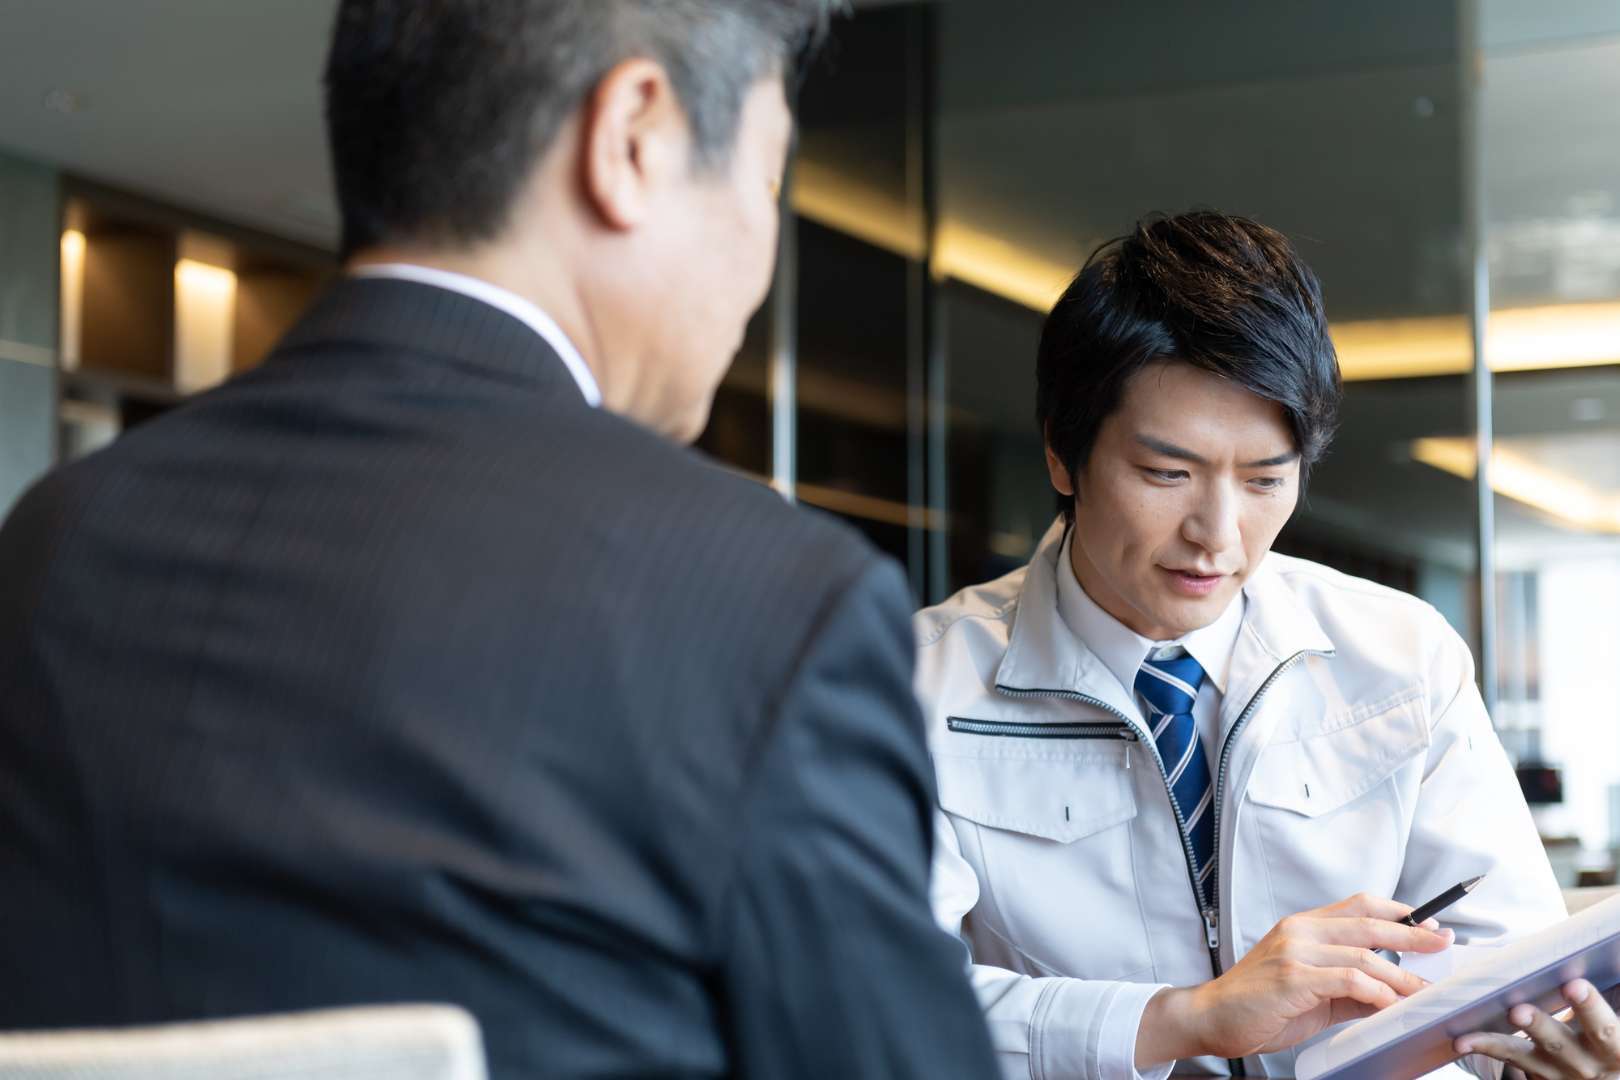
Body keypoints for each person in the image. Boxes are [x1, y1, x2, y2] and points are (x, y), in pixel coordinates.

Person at [0, 2, 999, 1076]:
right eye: (765, 182)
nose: (763, 255)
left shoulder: (56, 535)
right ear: (633, 138)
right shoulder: (772, 599)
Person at [916, 211, 1617, 1079]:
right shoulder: (917, 685)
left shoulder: (1402, 657)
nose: (1217, 534)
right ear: (1064, 454)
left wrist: (1557, 1051)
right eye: (1167, 473)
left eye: (1264, 480)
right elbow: (878, 1000)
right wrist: (1186, 1020)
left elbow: (1510, 966)